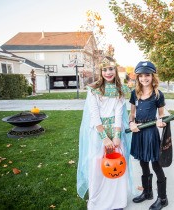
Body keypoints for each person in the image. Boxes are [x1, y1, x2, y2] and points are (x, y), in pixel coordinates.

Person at [77, 56, 133, 210]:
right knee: (97, 165)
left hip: (115, 131)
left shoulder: (119, 90)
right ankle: (97, 203)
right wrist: (104, 138)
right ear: (100, 71)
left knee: (116, 163)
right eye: (104, 69)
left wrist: (116, 136)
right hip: (98, 132)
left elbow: (118, 113)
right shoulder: (94, 89)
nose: (108, 72)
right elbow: (94, 115)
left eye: (111, 69)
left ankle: (117, 202)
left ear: (115, 70)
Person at [129, 61, 168, 210]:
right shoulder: (135, 93)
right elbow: (132, 113)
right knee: (143, 163)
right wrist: (131, 123)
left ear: (152, 76)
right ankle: (147, 192)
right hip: (138, 132)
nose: (144, 78)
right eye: (141, 76)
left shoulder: (158, 94)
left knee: (156, 164)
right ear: (138, 77)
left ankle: (163, 198)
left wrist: (160, 121)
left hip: (150, 131)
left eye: (147, 75)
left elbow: (161, 114)